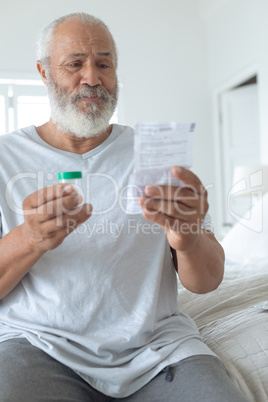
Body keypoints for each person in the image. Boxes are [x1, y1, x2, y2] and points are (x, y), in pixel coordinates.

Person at [0, 12, 249, 402]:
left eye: (104, 63)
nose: (92, 78)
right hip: (40, 347)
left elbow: (208, 282)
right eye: (75, 64)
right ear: (44, 72)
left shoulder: (156, 155)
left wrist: (187, 240)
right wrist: (29, 239)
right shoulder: (5, 159)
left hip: (158, 350)